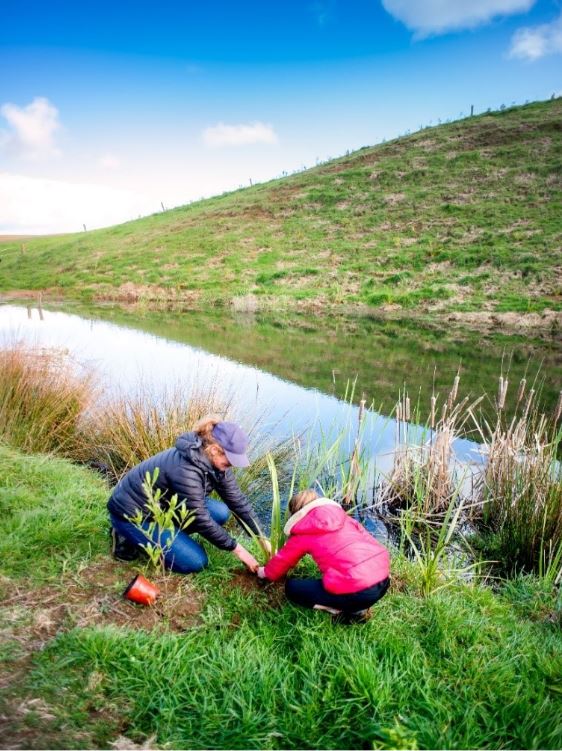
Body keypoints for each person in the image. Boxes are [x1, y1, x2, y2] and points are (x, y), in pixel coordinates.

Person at [107, 415, 265, 574]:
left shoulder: (215, 462)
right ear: (215, 450)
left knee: (221, 512)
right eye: (229, 461)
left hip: (163, 507)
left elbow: (237, 500)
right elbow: (200, 518)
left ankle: (171, 537)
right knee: (196, 562)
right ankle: (123, 534)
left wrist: (262, 538)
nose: (230, 466)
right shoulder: (186, 469)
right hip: (133, 515)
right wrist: (238, 550)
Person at [257, 490, 390, 623]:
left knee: (291, 588)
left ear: (295, 513)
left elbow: (282, 561)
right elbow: (369, 540)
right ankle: (357, 606)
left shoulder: (303, 531)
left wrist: (264, 572)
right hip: (384, 581)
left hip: (357, 591)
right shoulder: (345, 518)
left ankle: (343, 610)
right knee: (355, 585)